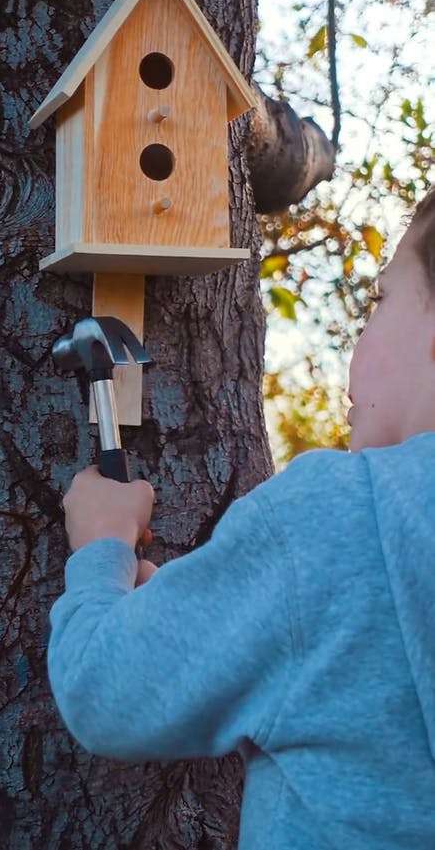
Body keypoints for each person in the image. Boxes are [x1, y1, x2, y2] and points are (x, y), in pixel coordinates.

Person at [48, 188, 435, 849]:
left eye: (381, 298)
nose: (363, 327)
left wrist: (101, 545)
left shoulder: (342, 516)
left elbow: (106, 687)